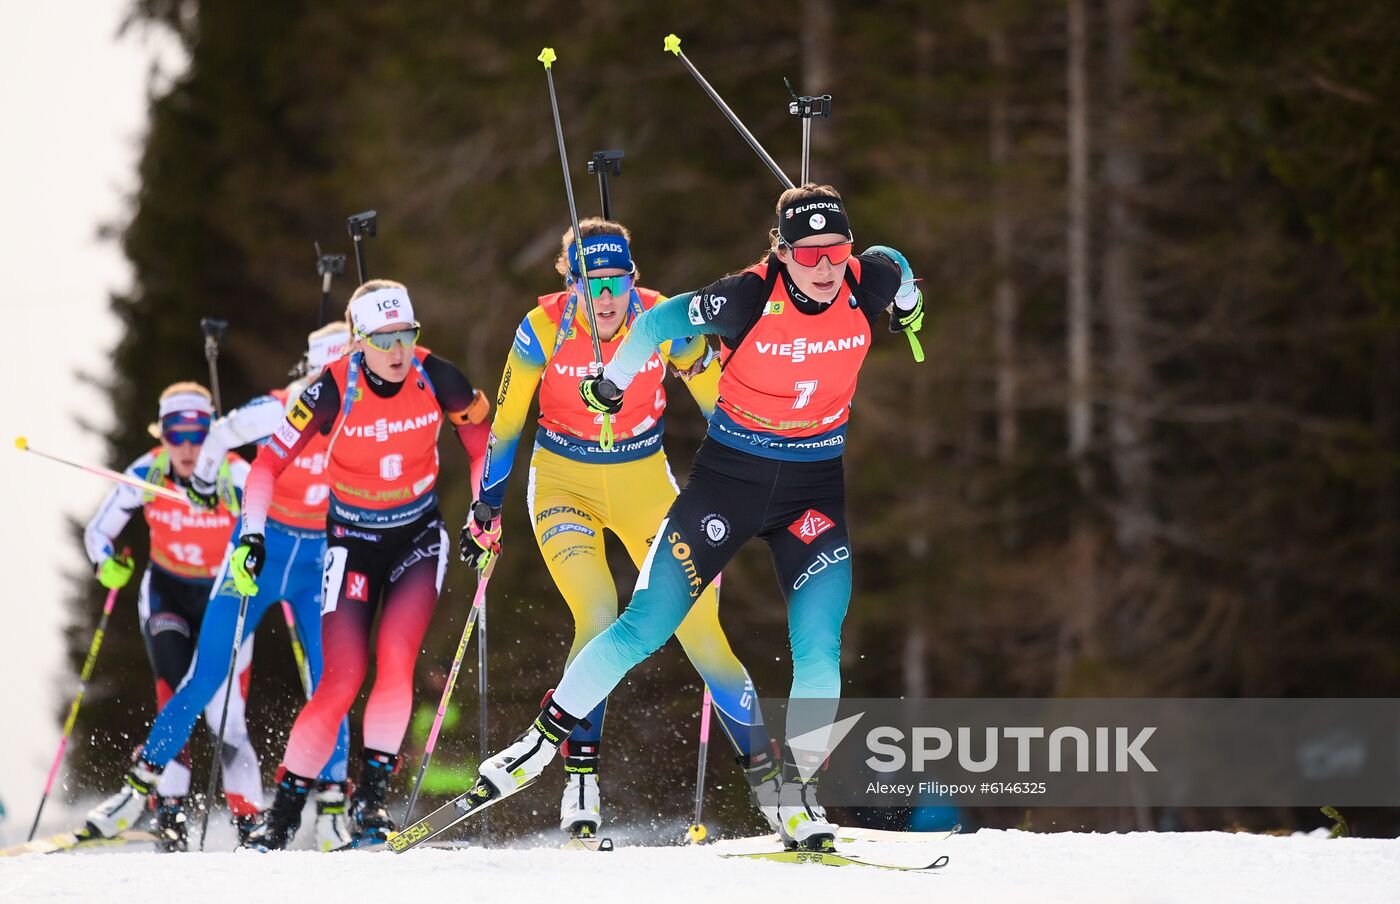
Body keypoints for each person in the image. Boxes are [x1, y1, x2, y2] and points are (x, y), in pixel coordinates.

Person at [463, 184, 925, 852]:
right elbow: (658, 328)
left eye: (836, 252)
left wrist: (909, 301)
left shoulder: (867, 280)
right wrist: (613, 383)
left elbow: (896, 264)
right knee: (639, 625)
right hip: (726, 485)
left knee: (819, 649)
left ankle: (792, 795)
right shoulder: (743, 295)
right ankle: (541, 746)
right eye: (808, 254)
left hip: (811, 492)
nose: (824, 268)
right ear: (783, 253)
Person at [463, 220, 775, 839]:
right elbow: (505, 425)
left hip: (643, 483)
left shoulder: (660, 320)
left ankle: (778, 794)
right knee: (599, 611)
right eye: (593, 285)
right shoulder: (543, 328)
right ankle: (581, 779)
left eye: (618, 283)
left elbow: (720, 406)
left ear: (634, 279)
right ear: (571, 284)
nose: (607, 300)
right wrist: (487, 507)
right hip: (562, 486)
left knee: (702, 632)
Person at [232, 279, 490, 849]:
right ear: (357, 341)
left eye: (406, 335)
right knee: (341, 679)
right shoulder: (329, 391)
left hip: (417, 540)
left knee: (396, 663)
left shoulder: (437, 376)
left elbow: (481, 451)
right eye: (383, 339)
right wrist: (252, 535)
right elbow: (264, 469)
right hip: (349, 540)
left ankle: (370, 805)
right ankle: (282, 816)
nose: (397, 352)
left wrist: (483, 510)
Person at [81, 325, 357, 851]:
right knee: (204, 677)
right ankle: (142, 789)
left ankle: (332, 809)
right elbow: (223, 432)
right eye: (331, 371)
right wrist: (205, 480)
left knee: (331, 682)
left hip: (317, 559)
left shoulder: (366, 415)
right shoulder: (278, 410)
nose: (338, 383)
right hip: (257, 558)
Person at [80, 382, 260, 850]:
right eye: (174, 434)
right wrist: (107, 564)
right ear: (162, 436)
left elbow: (276, 518)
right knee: (175, 694)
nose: (185, 447)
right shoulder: (149, 472)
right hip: (167, 596)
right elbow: (98, 532)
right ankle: (172, 813)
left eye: (197, 433)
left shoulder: (234, 473)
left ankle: (248, 820)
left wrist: (252, 549)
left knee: (229, 715)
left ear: (212, 434)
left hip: (224, 596)